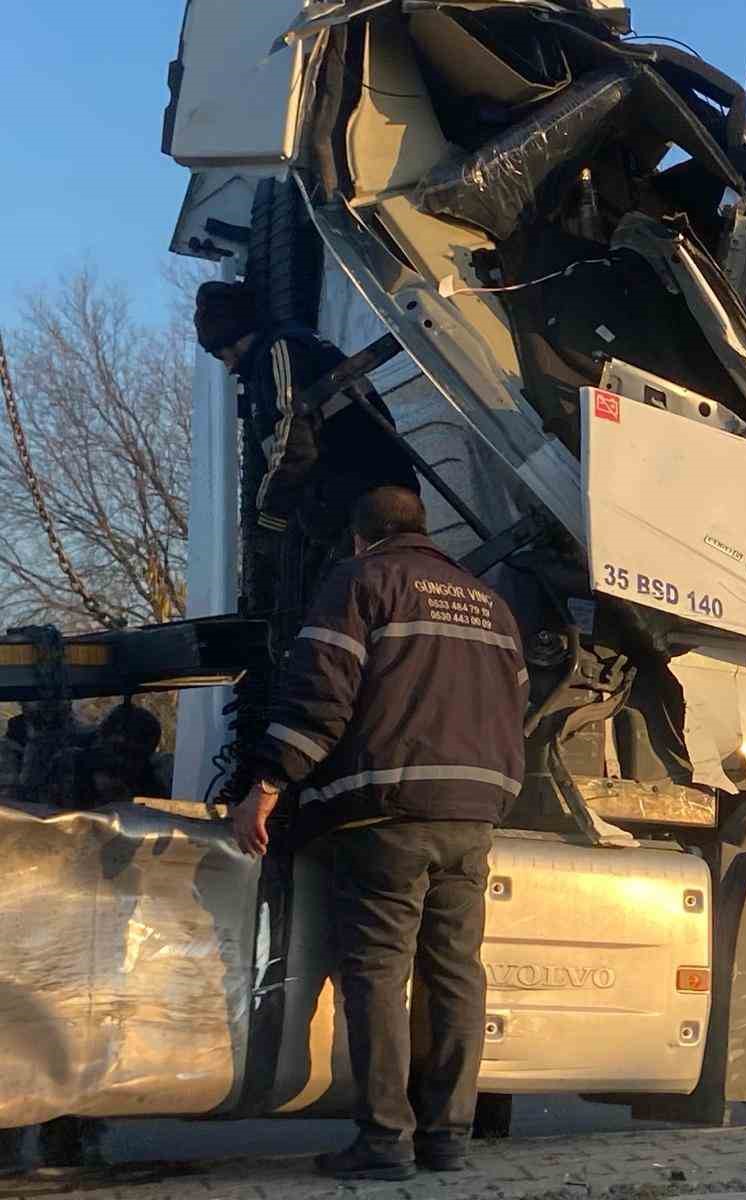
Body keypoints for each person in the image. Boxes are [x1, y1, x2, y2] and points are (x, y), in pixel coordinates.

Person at [230, 487, 529, 1181]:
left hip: (386, 815)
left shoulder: (364, 581)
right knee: (455, 974)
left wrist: (269, 782)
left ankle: (385, 1141)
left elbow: (320, 692)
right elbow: (514, 706)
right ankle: (448, 1138)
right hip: (470, 815)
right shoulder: (489, 603)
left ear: (362, 537)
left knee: (377, 976)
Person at [192, 281, 420, 598]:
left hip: (364, 497)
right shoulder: (291, 348)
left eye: (221, 354)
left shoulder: (280, 349)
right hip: (372, 495)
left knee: (340, 601)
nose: (228, 367)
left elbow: (294, 437)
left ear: (230, 338)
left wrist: (271, 513)